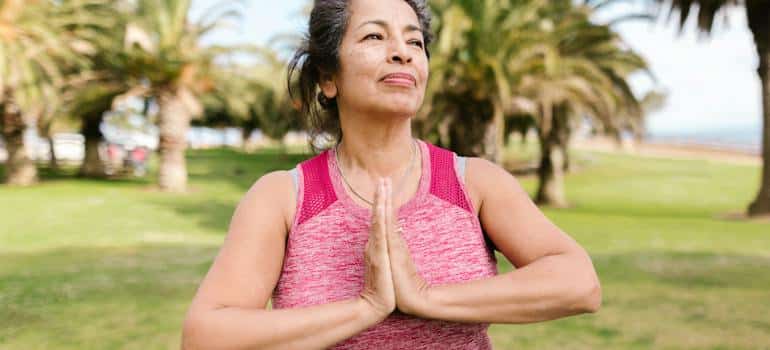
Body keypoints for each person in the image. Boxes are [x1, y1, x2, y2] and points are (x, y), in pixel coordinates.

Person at [181, 0, 601, 348]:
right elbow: (206, 336)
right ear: (329, 78)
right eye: (374, 36)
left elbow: (579, 283)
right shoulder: (284, 197)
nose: (402, 51)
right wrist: (365, 306)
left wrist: (424, 297)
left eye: (414, 41)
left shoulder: (474, 184)